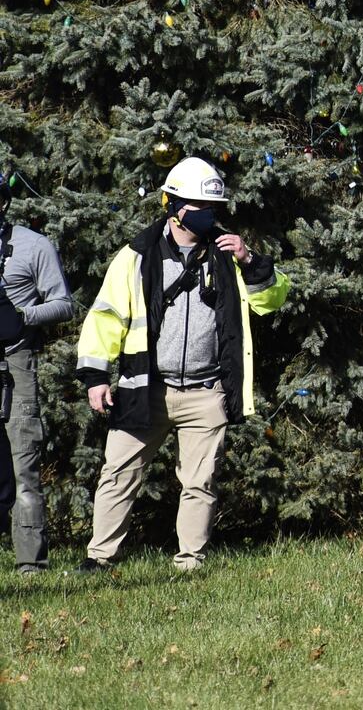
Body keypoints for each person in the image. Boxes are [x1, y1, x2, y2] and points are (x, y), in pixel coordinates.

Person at [75, 157, 289, 572]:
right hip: (145, 389)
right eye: (197, 206)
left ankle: (190, 563)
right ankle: (99, 559)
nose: (208, 215)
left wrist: (250, 261)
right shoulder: (136, 255)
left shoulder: (230, 252)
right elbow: (106, 316)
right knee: (118, 473)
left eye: (212, 208)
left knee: (200, 483)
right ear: (172, 206)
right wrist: (96, 376)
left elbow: (271, 301)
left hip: (207, 391)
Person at [0, 172, 74, 573]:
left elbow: (64, 303)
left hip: (16, 362)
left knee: (23, 461)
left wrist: (22, 316)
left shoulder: (33, 245)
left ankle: (31, 564)